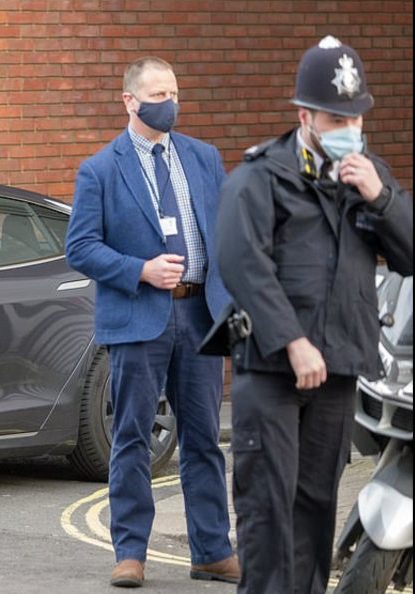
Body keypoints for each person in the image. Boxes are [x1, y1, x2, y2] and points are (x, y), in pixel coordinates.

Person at [215, 36, 413, 594]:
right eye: (334, 117)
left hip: (338, 371)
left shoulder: (366, 176)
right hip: (274, 371)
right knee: (268, 518)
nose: (348, 126)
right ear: (305, 116)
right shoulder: (259, 177)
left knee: (314, 515)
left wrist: (384, 201)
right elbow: (242, 264)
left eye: (355, 115)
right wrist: (292, 341)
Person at [65, 57, 239, 588]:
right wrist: (138, 269)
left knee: (205, 438)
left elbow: (230, 230)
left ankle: (211, 550)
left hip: (200, 314)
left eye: (174, 92)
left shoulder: (204, 158)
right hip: (139, 318)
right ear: (130, 101)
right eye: (159, 93)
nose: (170, 102)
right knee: (132, 436)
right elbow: (80, 248)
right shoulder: (100, 169)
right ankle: (131, 553)